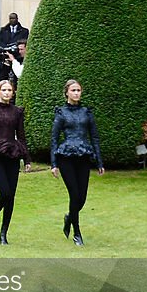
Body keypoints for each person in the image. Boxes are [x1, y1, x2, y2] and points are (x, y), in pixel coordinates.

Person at [51, 80, 105, 247]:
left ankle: (69, 217)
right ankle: (77, 233)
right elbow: (54, 138)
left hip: (83, 157)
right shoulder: (61, 112)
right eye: (73, 90)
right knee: (74, 195)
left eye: (79, 90)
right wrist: (54, 163)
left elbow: (94, 137)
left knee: (81, 198)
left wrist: (99, 162)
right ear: (67, 92)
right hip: (66, 158)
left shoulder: (86, 112)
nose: (76, 93)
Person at [0, 80, 32, 245]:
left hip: (12, 155)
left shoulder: (17, 111)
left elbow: (21, 136)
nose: (7, 93)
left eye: (10, 90)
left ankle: (3, 234)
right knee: (5, 192)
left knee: (11, 197)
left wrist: (27, 159)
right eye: (4, 90)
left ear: (13, 93)